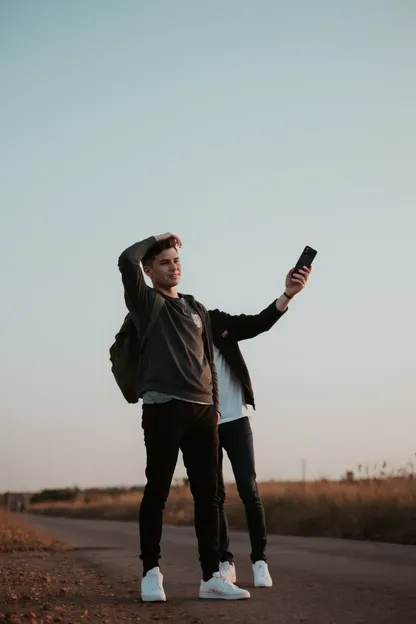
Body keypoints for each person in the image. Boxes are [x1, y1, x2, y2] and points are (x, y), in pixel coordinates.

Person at [118, 232, 250, 602]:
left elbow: (209, 361)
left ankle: (211, 576)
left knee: (209, 496)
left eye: (176, 260)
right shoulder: (145, 302)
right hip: (163, 408)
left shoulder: (197, 308)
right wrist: (159, 237)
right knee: (157, 490)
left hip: (203, 411)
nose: (174, 266)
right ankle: (151, 573)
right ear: (149, 270)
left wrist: (215, 403)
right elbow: (126, 259)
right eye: (164, 261)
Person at [208, 264, 311, 588]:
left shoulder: (216, 321)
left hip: (237, 420)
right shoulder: (180, 337)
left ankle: (260, 561)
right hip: (204, 425)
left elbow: (258, 323)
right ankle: (224, 561)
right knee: (214, 497)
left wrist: (288, 295)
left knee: (249, 491)